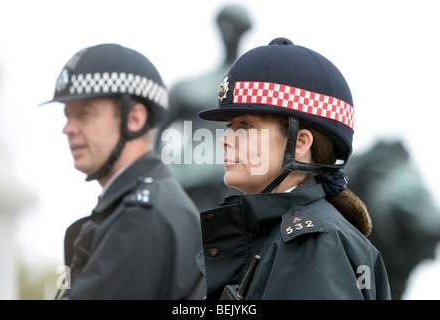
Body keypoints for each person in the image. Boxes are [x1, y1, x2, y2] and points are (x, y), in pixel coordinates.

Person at [197, 38, 391, 300]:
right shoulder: (292, 238)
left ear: (299, 144)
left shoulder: (311, 244)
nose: (225, 139)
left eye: (245, 126)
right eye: (228, 126)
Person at [42, 43, 206, 299]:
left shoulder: (142, 216)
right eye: (67, 115)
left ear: (134, 118)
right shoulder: (146, 204)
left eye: (84, 114)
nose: (68, 128)